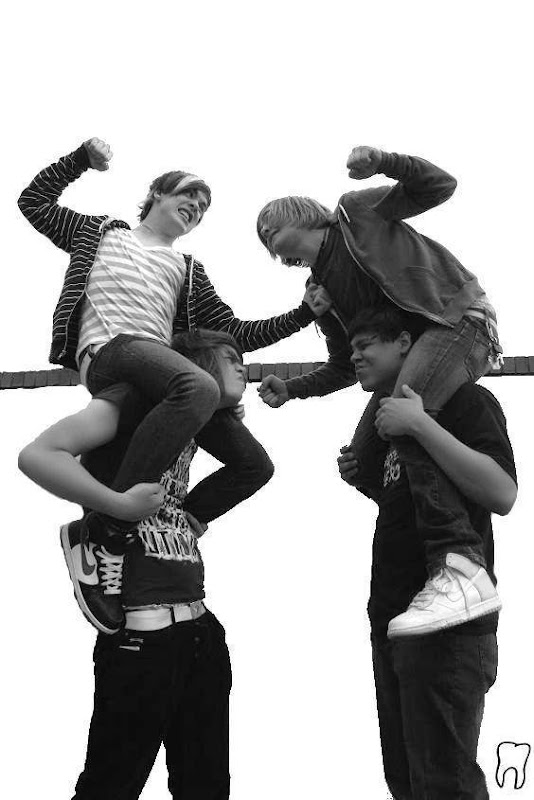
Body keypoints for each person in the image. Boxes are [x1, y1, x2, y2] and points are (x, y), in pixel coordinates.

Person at [17, 138, 329, 633]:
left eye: (203, 207)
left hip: (164, 376)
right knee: (200, 388)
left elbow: (236, 333)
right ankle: (108, 530)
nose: (196, 207)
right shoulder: (99, 234)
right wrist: (79, 161)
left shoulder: (186, 270)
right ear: (157, 194)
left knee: (252, 464)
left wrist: (301, 315)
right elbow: (33, 203)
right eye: (188, 195)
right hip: (111, 352)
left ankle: (181, 521)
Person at [255, 145, 504, 635]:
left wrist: (385, 161)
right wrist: (293, 388)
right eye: (261, 237)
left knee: (403, 419)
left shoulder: (355, 213)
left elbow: (439, 186)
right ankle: (419, 553)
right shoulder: (321, 291)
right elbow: (346, 365)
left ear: (299, 214)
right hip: (409, 361)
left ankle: (461, 565)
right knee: (363, 459)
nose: (266, 237)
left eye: (269, 226)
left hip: (457, 323)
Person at [18, 329, 264, 799]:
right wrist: (117, 506)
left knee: (207, 788)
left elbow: (253, 468)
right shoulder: (132, 399)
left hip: (200, 630)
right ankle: (96, 535)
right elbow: (37, 456)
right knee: (110, 787)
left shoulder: (193, 424)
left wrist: (191, 516)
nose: (242, 366)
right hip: (140, 635)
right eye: (229, 356)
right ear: (190, 364)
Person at [336, 306, 516, 799]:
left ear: (405, 343)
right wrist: (367, 481)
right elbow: (414, 504)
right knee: (407, 781)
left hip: (451, 623)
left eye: (365, 345)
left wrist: (421, 425)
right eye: (351, 349)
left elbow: (501, 492)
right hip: (394, 616)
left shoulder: (465, 401)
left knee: (444, 785)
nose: (355, 357)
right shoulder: (388, 426)